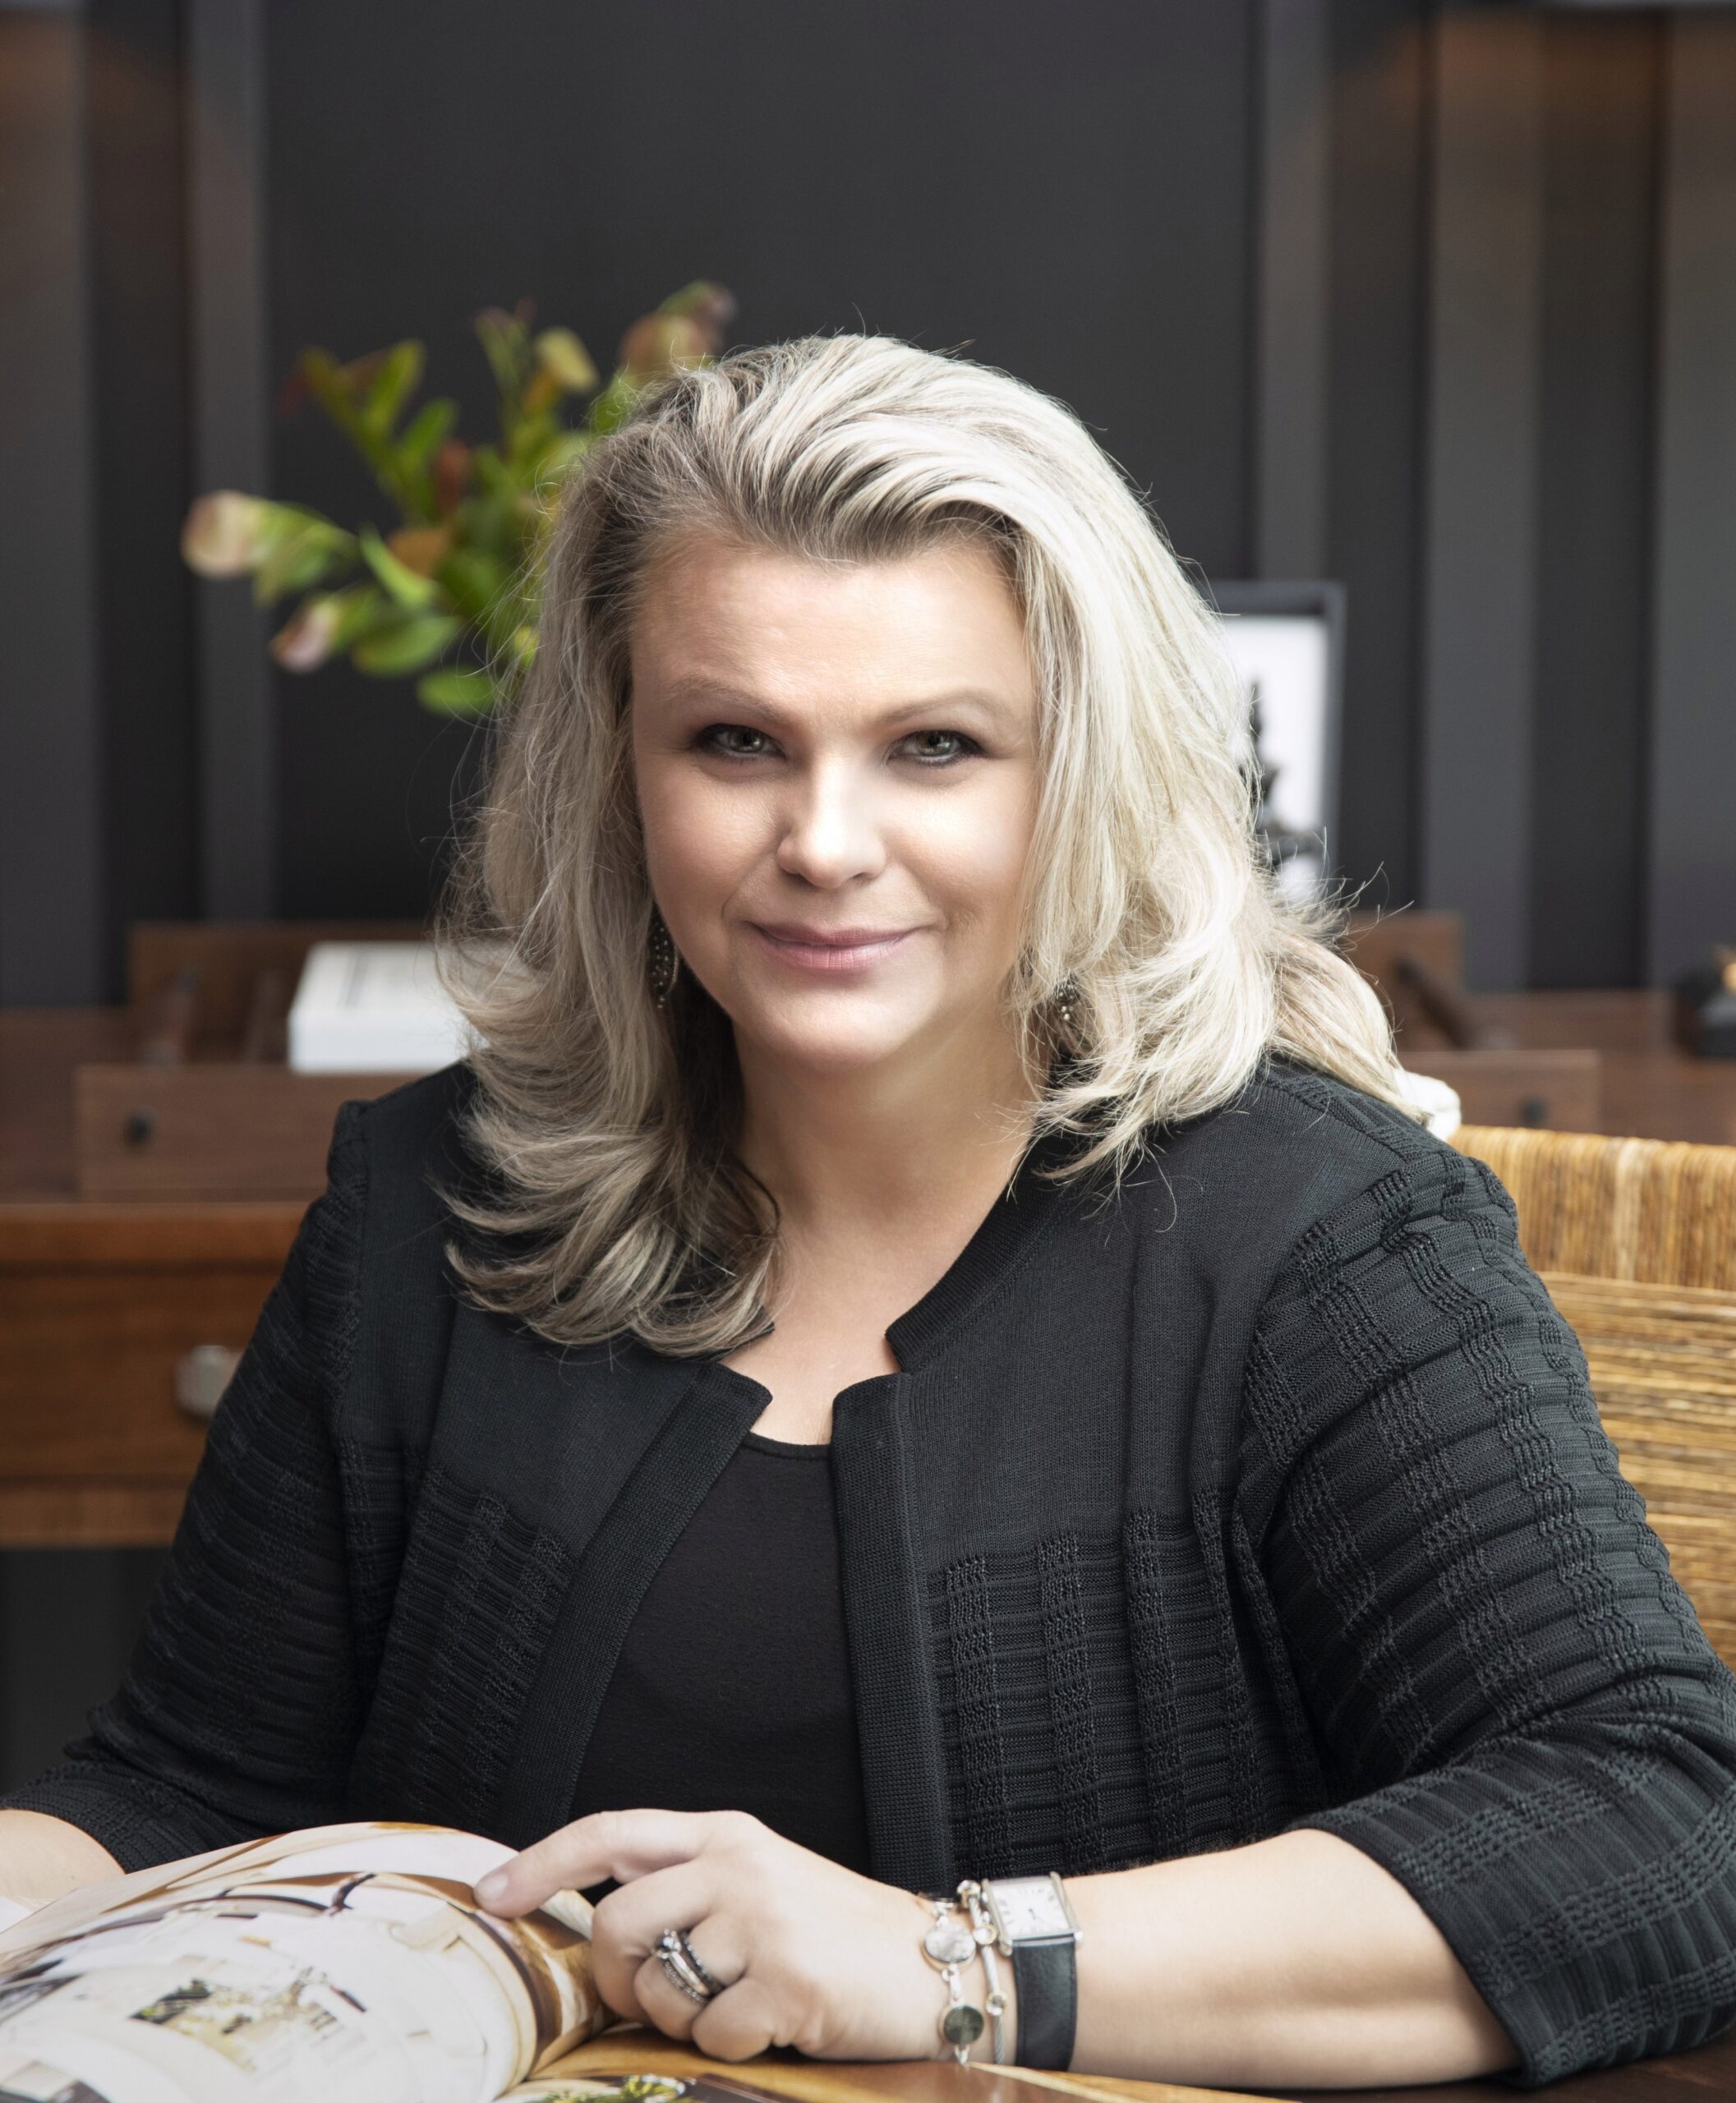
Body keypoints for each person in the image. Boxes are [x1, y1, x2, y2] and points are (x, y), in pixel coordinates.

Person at [4, 334, 1736, 2092]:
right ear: (618, 768)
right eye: (735, 740)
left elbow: (1665, 1833)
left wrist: (948, 1961)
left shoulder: (1321, 1244)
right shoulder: (426, 1205)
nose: (825, 842)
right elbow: (184, 1793)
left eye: (935, 747)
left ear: (1080, 775)